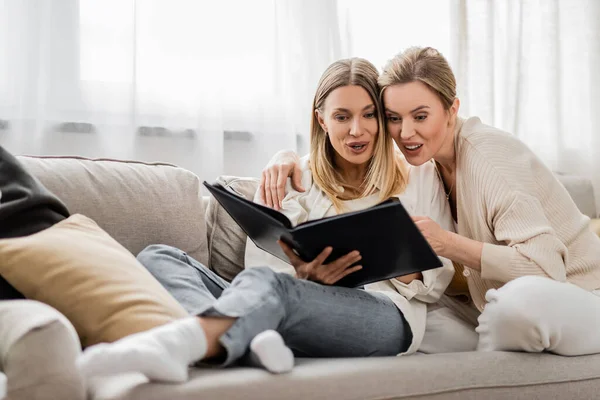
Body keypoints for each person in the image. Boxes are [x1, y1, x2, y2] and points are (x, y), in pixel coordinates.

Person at [76, 57, 455, 383]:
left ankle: (177, 344)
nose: (357, 130)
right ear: (321, 120)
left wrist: (396, 261)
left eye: (370, 114)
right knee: (159, 257)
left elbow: (438, 279)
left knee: (270, 289)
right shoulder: (290, 179)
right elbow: (261, 269)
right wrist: (306, 279)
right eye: (342, 116)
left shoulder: (417, 178)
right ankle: (251, 344)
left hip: (385, 316)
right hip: (295, 302)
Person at [261, 46, 600, 356]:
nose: (405, 133)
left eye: (420, 116)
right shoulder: (426, 163)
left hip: (579, 295)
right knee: (428, 319)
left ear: (452, 109)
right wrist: (285, 157)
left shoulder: (489, 157)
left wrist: (447, 243)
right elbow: (338, 145)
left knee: (512, 306)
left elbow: (546, 270)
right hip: (487, 301)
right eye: (394, 118)